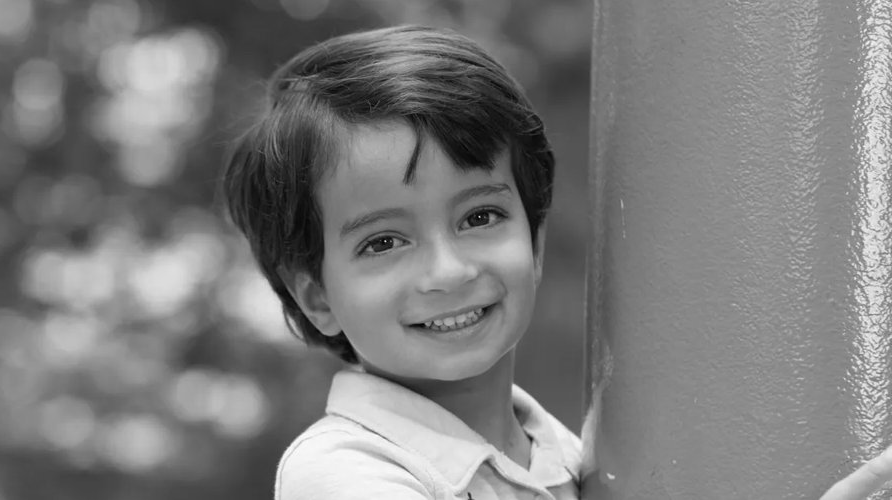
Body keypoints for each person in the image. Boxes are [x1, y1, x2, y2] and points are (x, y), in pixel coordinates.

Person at [220, 25, 892, 500]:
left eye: (480, 217)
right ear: (317, 298)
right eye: (383, 243)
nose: (449, 271)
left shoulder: (571, 457)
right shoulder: (344, 473)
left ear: (534, 239)